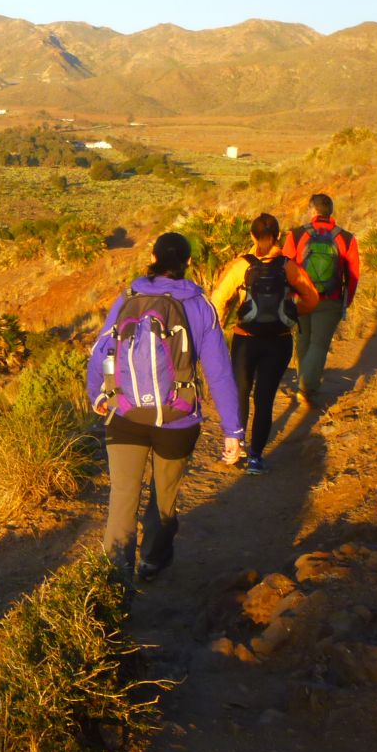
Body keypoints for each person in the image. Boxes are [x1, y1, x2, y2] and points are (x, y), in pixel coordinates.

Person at [87, 232, 243, 585]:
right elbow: (219, 372)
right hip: (178, 418)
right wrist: (232, 431)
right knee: (164, 497)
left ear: (153, 258)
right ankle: (153, 562)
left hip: (126, 415)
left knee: (123, 498)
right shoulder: (200, 306)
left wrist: (97, 394)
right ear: (188, 262)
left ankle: (114, 580)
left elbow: (101, 350)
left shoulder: (128, 297)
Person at [209, 212, 321, 472]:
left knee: (240, 394)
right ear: (278, 236)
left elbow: (218, 300)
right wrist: (291, 313)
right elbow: (312, 298)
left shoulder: (241, 266)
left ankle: (235, 448)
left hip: (246, 339)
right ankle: (256, 458)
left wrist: (220, 327)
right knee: (265, 398)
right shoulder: (288, 266)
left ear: (251, 235)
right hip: (279, 341)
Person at [281, 194, 361, 407]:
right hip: (330, 299)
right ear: (330, 212)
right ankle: (307, 387)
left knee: (304, 340)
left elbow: (285, 267)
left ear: (313, 210)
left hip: (300, 298)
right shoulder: (346, 238)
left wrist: (287, 296)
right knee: (319, 344)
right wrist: (346, 300)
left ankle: (305, 384)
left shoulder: (296, 235)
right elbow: (353, 275)